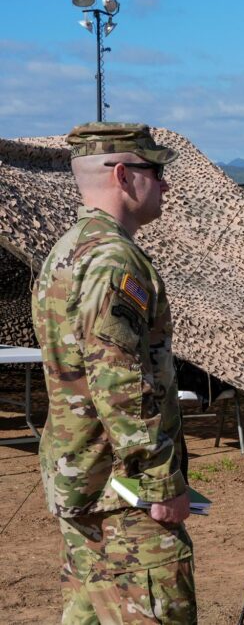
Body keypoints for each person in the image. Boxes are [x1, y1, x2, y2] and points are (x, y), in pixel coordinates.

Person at [32, 122, 196, 624]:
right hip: (122, 497)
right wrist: (157, 479)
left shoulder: (69, 249)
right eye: (157, 171)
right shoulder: (111, 259)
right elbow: (119, 379)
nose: (165, 184)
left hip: (85, 483)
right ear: (123, 175)